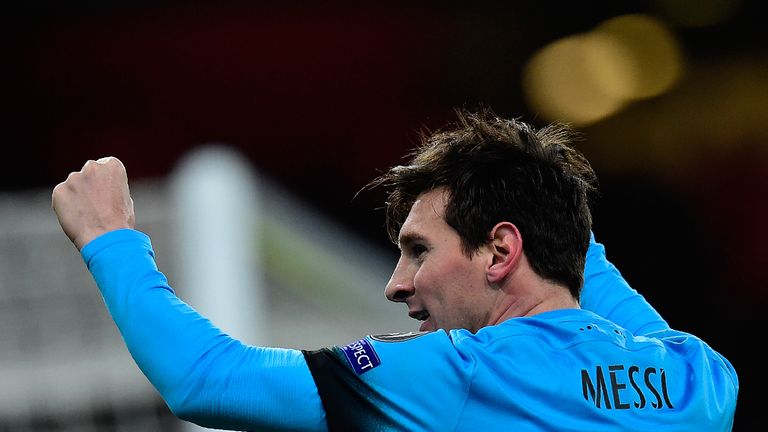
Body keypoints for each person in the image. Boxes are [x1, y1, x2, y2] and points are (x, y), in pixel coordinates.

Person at [52, 108, 738, 431]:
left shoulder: (464, 372)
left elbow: (206, 380)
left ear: (501, 252)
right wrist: (530, 178)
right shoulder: (698, 378)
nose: (395, 283)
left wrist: (110, 239)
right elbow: (579, 267)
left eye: (418, 250)